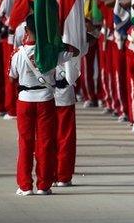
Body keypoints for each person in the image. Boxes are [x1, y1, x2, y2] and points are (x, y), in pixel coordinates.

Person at [9, 15, 78, 196]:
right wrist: (56, 41)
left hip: (25, 101)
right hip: (46, 100)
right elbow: (75, 51)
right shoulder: (51, 51)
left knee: (25, 143)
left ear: (26, 31)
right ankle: (43, 185)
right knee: (46, 143)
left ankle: (25, 186)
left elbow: (11, 77)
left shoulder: (17, 53)